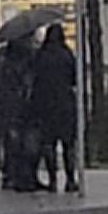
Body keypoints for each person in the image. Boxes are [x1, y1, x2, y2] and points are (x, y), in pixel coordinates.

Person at [31, 23, 78, 192]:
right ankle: (70, 180)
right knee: (68, 144)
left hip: (45, 105)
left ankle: (52, 180)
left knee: (48, 143)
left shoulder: (41, 55)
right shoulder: (67, 55)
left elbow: (34, 79)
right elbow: (74, 79)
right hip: (65, 104)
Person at [0, 37, 38, 192]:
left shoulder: (4, 59)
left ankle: (11, 176)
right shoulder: (28, 60)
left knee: (11, 142)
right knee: (22, 143)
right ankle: (23, 176)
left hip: (8, 106)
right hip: (22, 106)